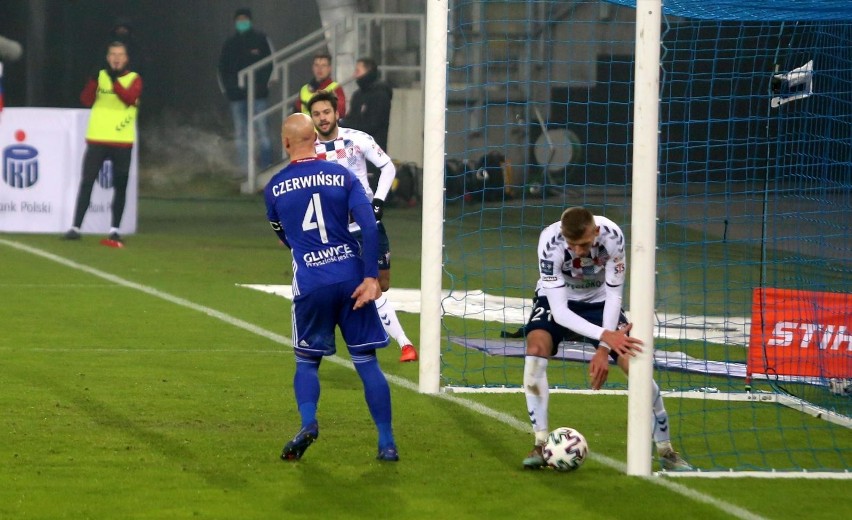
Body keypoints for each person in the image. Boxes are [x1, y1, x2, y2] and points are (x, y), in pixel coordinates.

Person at [265, 113, 398, 462]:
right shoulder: (342, 176)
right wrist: (371, 277)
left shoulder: (274, 187)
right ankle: (386, 443)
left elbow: (286, 239)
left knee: (306, 362)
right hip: (352, 278)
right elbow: (369, 228)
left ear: (286, 142)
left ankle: (308, 423)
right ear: (316, 139)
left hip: (312, 282)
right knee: (367, 362)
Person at [521, 207, 693, 472]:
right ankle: (540, 442)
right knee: (535, 349)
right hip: (558, 300)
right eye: (572, 245)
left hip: (600, 301)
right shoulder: (550, 243)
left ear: (596, 232)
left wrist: (603, 349)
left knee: (634, 361)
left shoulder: (613, 237)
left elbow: (614, 297)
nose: (578, 251)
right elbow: (561, 313)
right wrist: (605, 337)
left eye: (584, 244)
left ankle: (666, 450)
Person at [307, 91, 418, 363]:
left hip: (368, 224)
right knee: (369, 285)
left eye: (326, 112)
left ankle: (366, 323)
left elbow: (388, 167)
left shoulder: (357, 139)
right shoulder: (309, 151)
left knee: (382, 282)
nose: (322, 118)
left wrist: (378, 201)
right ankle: (405, 345)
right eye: (317, 114)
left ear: (336, 113)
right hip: (337, 231)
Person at [63, 41, 142, 245]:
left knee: (120, 185)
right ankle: (75, 227)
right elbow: (86, 100)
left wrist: (114, 82)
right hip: (98, 138)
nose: (116, 58)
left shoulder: (134, 79)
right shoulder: (101, 77)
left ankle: (115, 229)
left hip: (122, 141)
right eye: (113, 54)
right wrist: (92, 82)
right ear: (108, 57)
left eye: (120, 54)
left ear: (126, 58)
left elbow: (129, 99)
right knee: (87, 181)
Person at [217, 7, 274, 175]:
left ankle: (266, 167)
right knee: (241, 135)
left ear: (250, 20)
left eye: (245, 19)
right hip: (237, 98)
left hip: (258, 96)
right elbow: (222, 69)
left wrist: (262, 85)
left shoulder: (261, 39)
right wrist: (230, 91)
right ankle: (245, 170)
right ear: (235, 22)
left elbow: (271, 64)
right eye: (239, 20)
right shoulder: (229, 44)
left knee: (263, 132)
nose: (242, 22)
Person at [346, 57, 392, 152]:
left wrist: (346, 125)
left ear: (368, 71)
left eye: (358, 71)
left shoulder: (381, 95)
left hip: (374, 151)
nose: (355, 75)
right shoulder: (357, 95)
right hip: (356, 150)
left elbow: (373, 125)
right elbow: (351, 118)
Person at [293, 53, 346, 118]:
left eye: (323, 65)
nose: (319, 69)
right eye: (316, 65)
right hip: (306, 126)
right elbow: (296, 113)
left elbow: (341, 112)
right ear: (313, 68)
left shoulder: (335, 88)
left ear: (329, 68)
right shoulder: (304, 89)